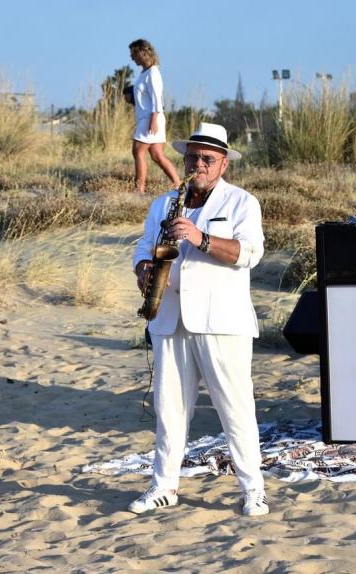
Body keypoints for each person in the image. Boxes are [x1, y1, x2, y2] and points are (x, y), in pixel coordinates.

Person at [130, 122, 268, 517]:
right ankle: (163, 487)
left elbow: (248, 254)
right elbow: (143, 246)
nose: (198, 165)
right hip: (170, 317)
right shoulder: (163, 203)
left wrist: (199, 238)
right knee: (168, 408)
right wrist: (142, 268)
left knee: (235, 409)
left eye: (208, 159)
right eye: (192, 157)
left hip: (222, 322)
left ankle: (252, 490)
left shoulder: (243, 203)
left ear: (224, 164)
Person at [129, 38, 181, 194]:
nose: (132, 57)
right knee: (157, 155)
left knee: (138, 151)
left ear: (142, 53)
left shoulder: (153, 73)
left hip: (151, 118)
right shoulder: (145, 73)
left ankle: (139, 189)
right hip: (149, 117)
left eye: (134, 53)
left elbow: (158, 98)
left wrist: (153, 120)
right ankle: (179, 184)